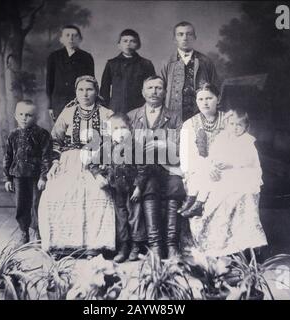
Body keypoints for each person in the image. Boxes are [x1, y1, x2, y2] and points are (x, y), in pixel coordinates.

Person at [38, 76, 115, 256]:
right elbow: (55, 141)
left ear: (96, 92)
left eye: (89, 89)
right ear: (76, 92)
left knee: (99, 192)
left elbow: (112, 140)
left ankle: (94, 246)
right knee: (57, 191)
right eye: (81, 90)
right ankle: (62, 245)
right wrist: (55, 162)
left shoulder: (106, 113)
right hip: (69, 160)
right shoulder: (68, 113)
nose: (85, 94)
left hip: (96, 162)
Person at [181, 108, 268, 257]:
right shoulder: (222, 137)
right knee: (208, 180)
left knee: (230, 192)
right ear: (227, 124)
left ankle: (243, 245)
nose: (235, 128)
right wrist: (213, 165)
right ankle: (199, 204)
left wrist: (229, 164)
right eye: (232, 124)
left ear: (246, 127)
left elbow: (248, 161)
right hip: (223, 172)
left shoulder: (247, 141)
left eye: (239, 125)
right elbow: (213, 155)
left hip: (241, 173)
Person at [127, 76, 186, 260]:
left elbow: (180, 147)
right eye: (150, 88)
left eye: (159, 88)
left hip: (169, 167)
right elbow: (123, 148)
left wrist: (163, 145)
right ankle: (155, 246)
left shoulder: (175, 117)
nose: (154, 91)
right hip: (141, 171)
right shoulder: (132, 116)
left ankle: (171, 244)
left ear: (165, 92)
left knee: (176, 185)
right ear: (142, 92)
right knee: (148, 185)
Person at [87, 113, 148, 263]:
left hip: (132, 190)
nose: (120, 131)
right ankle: (123, 247)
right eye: (115, 128)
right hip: (116, 190)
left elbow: (144, 168)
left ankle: (136, 246)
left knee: (135, 217)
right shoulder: (107, 147)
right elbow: (92, 163)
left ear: (130, 128)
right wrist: (99, 176)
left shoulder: (136, 147)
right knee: (121, 219)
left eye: (123, 128)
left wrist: (139, 187)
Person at [3, 100, 52, 244]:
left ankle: (39, 232)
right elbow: (8, 156)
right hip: (18, 176)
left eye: (29, 115)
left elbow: (46, 157)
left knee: (37, 204)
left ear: (36, 117)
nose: (24, 117)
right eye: (21, 114)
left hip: (36, 176)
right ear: (15, 116)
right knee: (21, 204)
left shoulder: (42, 134)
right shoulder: (12, 135)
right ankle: (24, 232)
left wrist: (43, 177)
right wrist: (7, 178)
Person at [179, 83, 227, 218]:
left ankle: (198, 204)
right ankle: (194, 203)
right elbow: (187, 155)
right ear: (196, 101)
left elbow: (236, 147)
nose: (205, 103)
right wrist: (206, 167)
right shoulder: (189, 124)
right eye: (200, 99)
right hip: (199, 167)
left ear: (218, 98)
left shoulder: (229, 120)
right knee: (200, 178)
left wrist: (219, 166)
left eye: (209, 98)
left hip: (224, 167)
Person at [161, 21, 219, 124]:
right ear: (174, 39)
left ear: (195, 37)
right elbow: (161, 91)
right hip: (174, 117)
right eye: (180, 34)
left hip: (201, 116)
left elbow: (216, 90)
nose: (185, 38)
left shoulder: (205, 62)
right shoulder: (168, 63)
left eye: (189, 34)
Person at [100, 29, 155, 114]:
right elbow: (104, 89)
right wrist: (105, 108)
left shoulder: (146, 64)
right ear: (119, 45)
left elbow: (152, 87)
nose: (128, 44)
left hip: (139, 107)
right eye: (125, 41)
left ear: (138, 45)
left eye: (132, 41)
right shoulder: (112, 64)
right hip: (116, 108)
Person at [46, 25, 95, 121]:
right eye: (67, 35)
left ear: (80, 39)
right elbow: (49, 82)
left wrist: (89, 103)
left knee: (79, 129)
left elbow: (90, 82)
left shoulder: (86, 57)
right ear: (61, 39)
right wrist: (50, 105)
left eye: (74, 35)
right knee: (60, 131)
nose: (71, 38)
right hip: (59, 101)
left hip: (80, 100)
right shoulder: (54, 57)